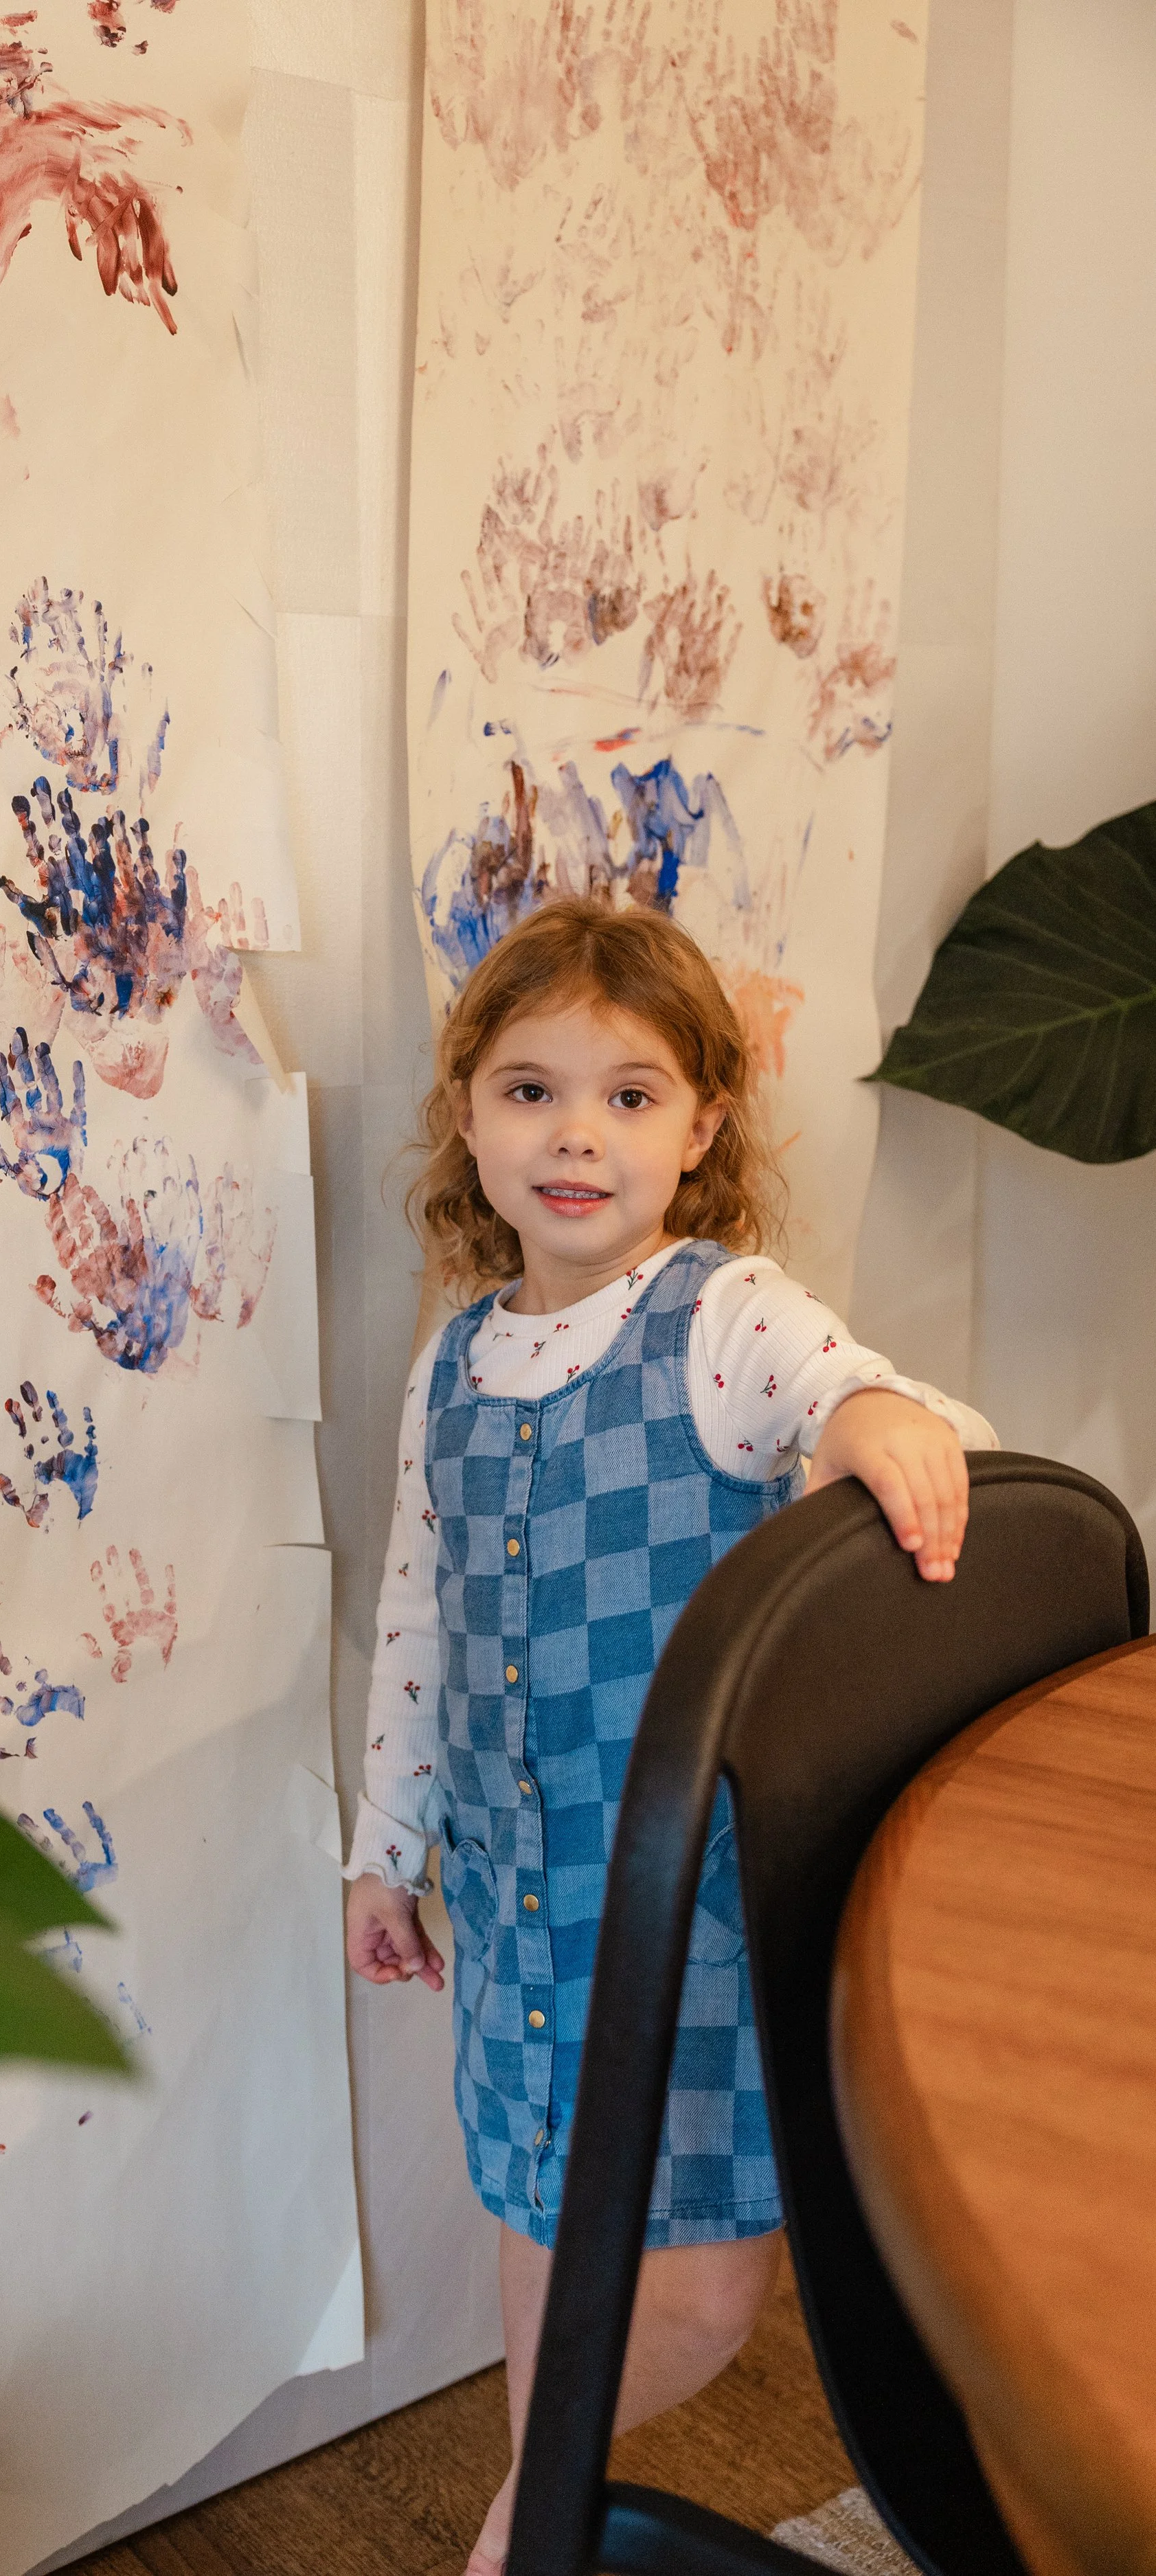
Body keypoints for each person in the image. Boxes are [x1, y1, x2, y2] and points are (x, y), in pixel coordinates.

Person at [343, 899, 995, 2575]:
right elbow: (417, 1611)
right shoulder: (450, 1365)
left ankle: (521, 2511)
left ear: (698, 1127)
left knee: (698, 2290)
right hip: (510, 1894)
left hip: (677, 1907)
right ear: (468, 1116)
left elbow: (864, 1399)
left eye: (627, 1096)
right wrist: (382, 1849)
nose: (576, 1135)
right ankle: (545, 2512)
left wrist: (866, 1416)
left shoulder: (721, 1318)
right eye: (529, 1090)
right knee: (541, 2209)